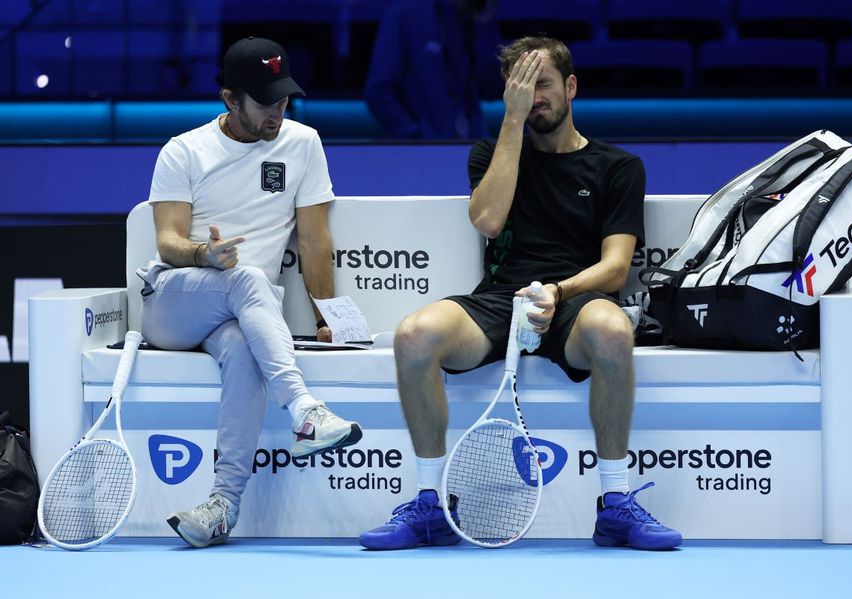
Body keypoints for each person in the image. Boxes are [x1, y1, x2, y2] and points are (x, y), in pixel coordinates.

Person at [359, 36, 682, 551]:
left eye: (544, 84)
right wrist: (511, 122)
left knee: (615, 331)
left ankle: (616, 506)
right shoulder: (492, 153)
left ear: (571, 87)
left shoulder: (618, 167)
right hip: (499, 299)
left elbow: (617, 267)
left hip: (574, 300)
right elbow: (487, 221)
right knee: (415, 335)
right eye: (522, 88)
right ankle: (430, 507)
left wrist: (559, 289)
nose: (535, 98)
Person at [138, 36, 363, 548]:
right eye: (265, 102)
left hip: (240, 316)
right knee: (249, 278)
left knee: (245, 348)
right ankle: (304, 409)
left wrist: (328, 313)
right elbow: (168, 241)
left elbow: (313, 239)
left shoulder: (303, 143)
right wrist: (203, 255)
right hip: (175, 302)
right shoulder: (185, 150)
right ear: (229, 98)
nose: (278, 111)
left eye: (284, 99)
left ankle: (222, 506)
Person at [364, 0, 502, 140]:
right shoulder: (405, 13)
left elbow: (491, 89)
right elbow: (379, 92)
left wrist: (483, 26)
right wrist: (416, 137)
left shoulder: (476, 17)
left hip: (471, 144)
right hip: (426, 152)